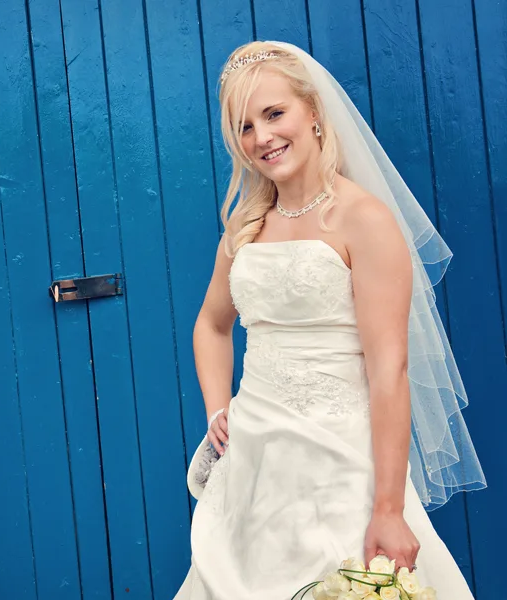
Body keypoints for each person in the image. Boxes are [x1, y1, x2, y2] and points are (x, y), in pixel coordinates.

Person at [174, 42, 485, 599]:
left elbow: (390, 369)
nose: (262, 137)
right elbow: (211, 325)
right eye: (245, 126)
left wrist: (388, 509)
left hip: (342, 465)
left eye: (274, 114)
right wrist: (218, 408)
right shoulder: (245, 227)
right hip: (255, 470)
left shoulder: (362, 218)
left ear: (313, 111)